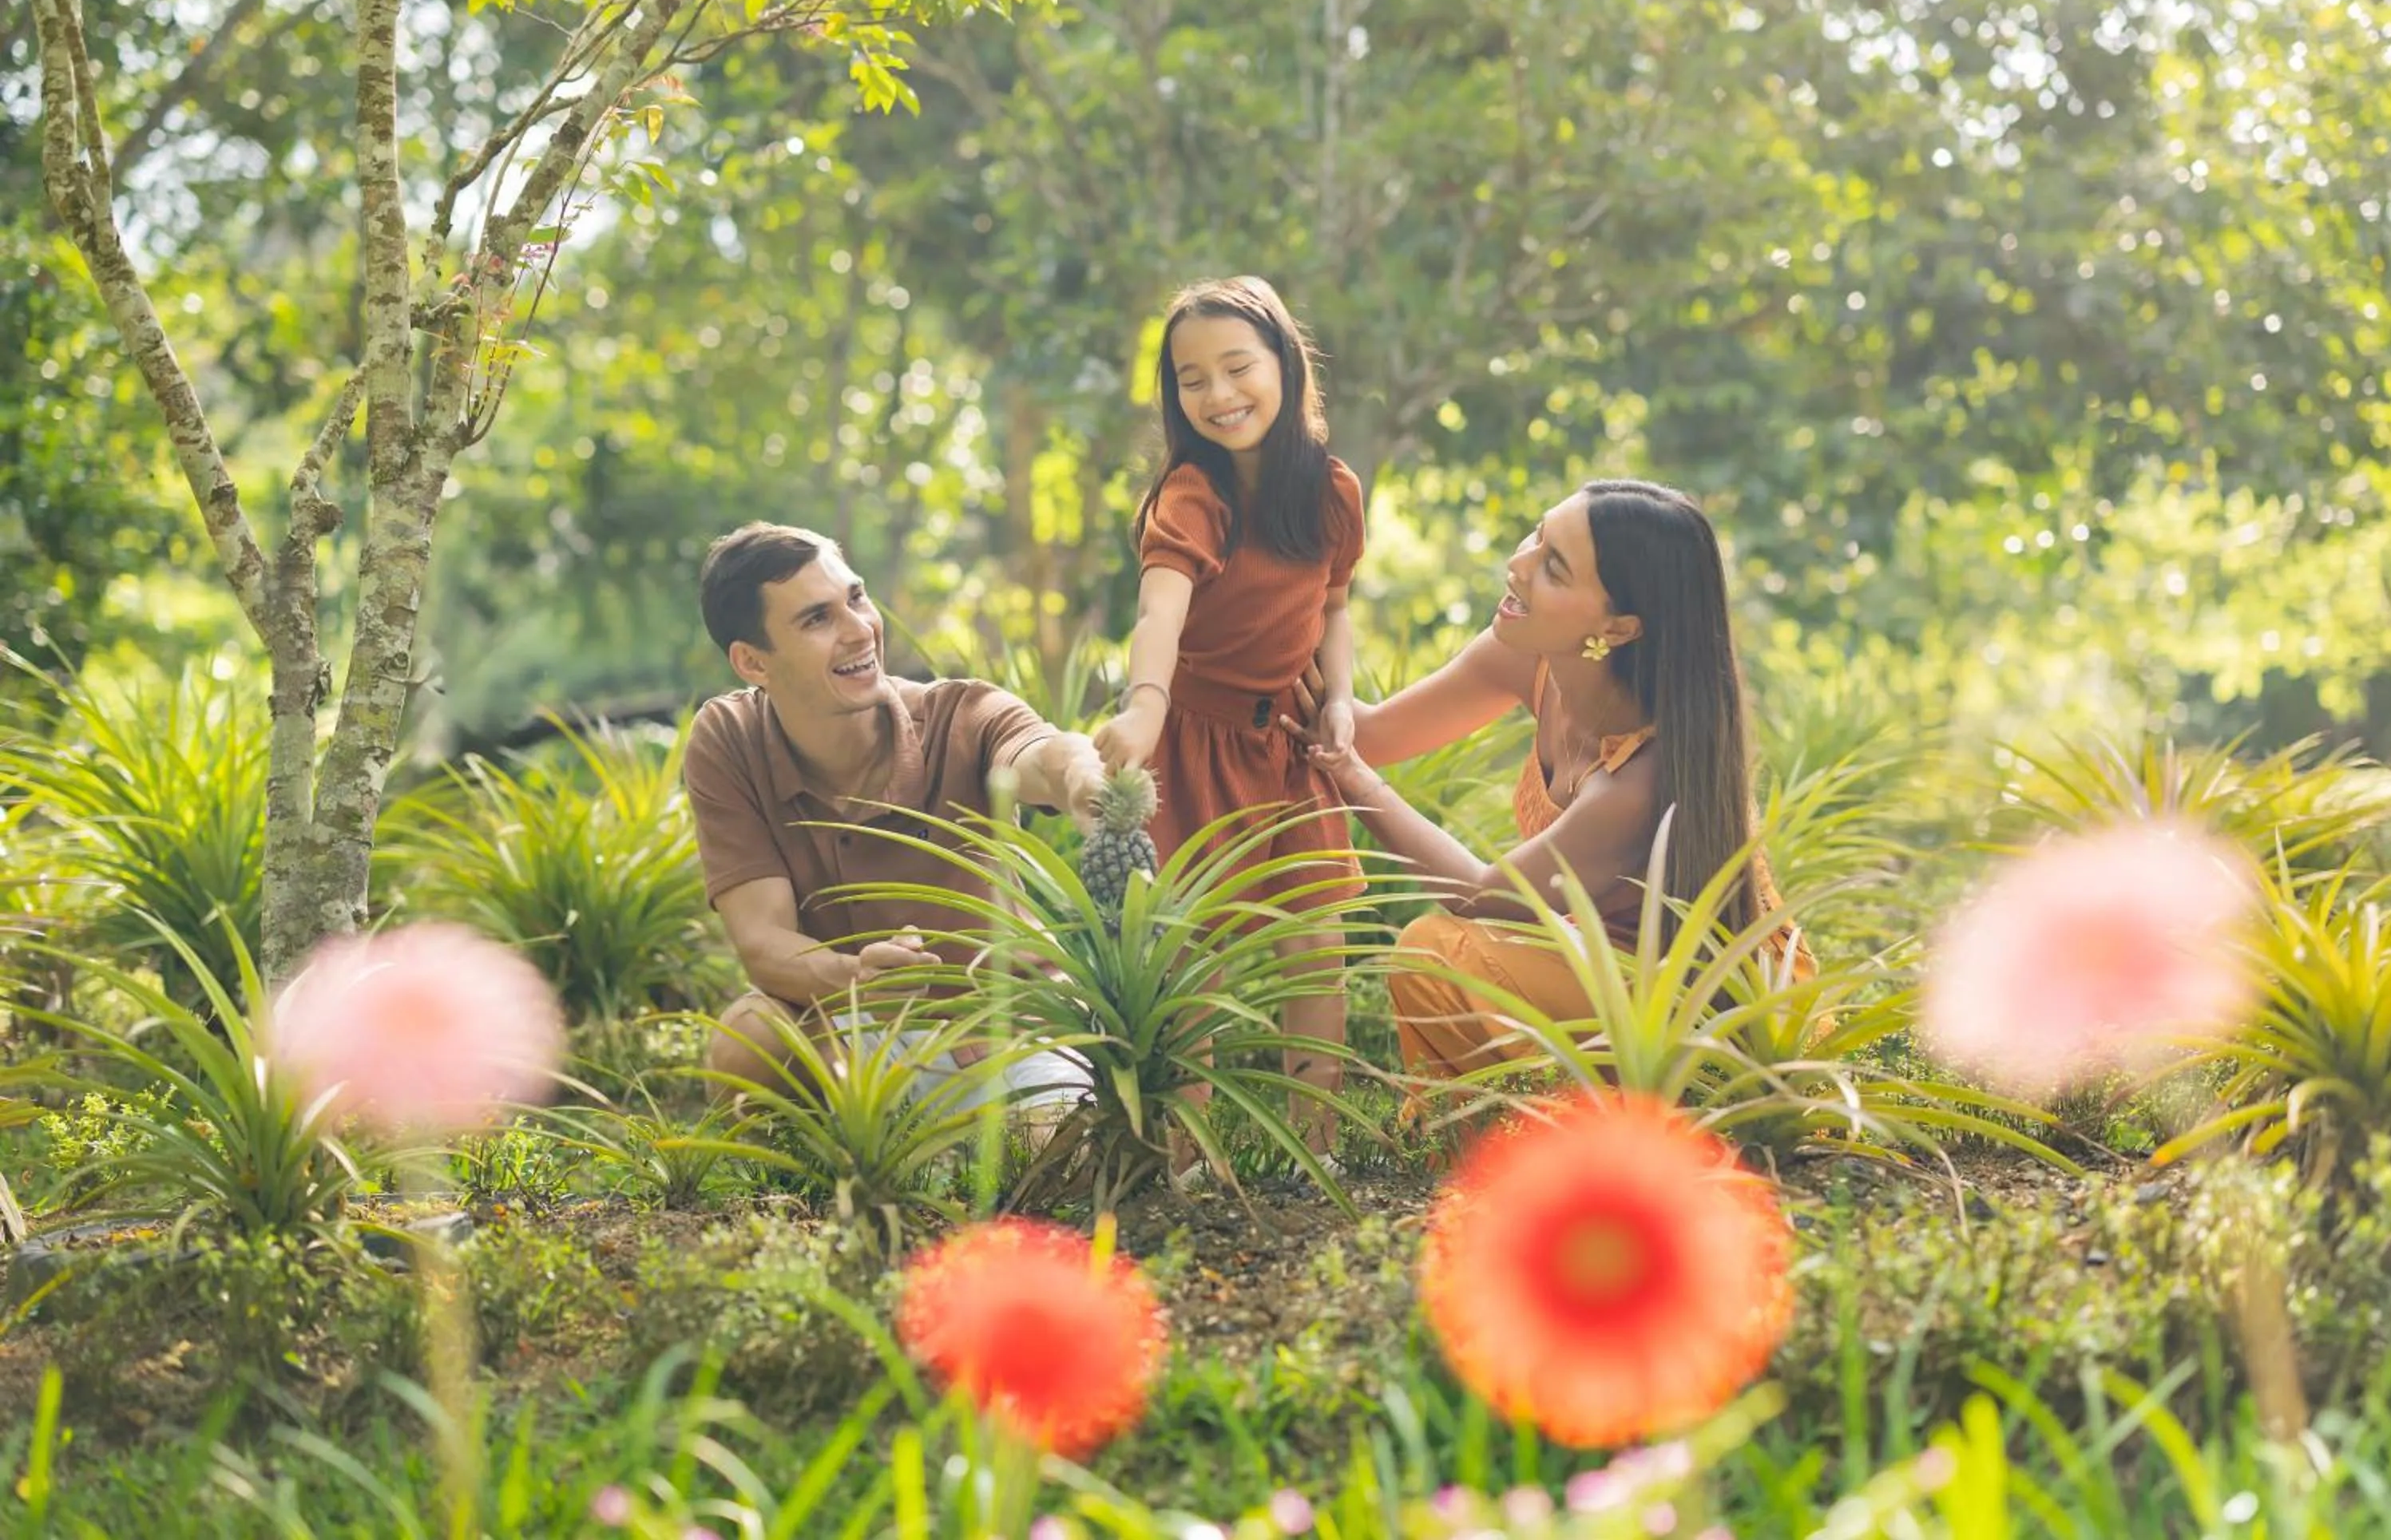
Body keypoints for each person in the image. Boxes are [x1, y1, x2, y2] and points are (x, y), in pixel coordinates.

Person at [1291, 478, 1809, 1088]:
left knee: (1435, 953)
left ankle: (1531, 1153)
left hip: (1705, 1014)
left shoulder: (1644, 776)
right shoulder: (1525, 655)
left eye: (1554, 568)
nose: (1518, 565)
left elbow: (1482, 896)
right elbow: (1371, 734)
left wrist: (1348, 774)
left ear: (1619, 628)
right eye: (1538, 536)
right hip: (1593, 965)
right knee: (1448, 953)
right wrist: (1291, 614)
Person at [684, 521, 1106, 1103]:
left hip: (1001, 1027)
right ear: (754, 663)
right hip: (854, 1028)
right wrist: (857, 977)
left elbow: (1038, 754)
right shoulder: (729, 739)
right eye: (817, 619)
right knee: (747, 1040)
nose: (860, 631)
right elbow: (764, 941)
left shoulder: (964, 713)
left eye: (856, 598)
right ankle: (827, 1180)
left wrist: (1082, 774)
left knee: (1051, 1166)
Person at [1089, 275, 1366, 1160]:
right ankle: (1188, 1159)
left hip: (1285, 741)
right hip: (1192, 738)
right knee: (1189, 959)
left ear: (1285, 363)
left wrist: (1342, 696)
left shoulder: (1330, 489)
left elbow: (1334, 606)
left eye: (1238, 367)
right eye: (1191, 378)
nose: (1218, 394)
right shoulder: (1191, 494)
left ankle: (1315, 1144)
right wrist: (1142, 709)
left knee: (1316, 941)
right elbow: (1158, 613)